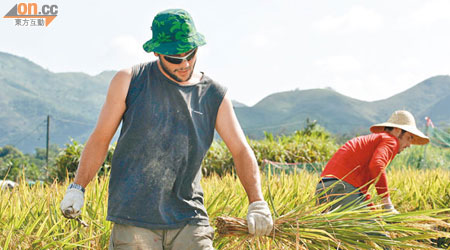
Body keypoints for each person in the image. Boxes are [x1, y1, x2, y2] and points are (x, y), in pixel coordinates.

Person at [60, 9, 273, 250]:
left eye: (190, 55)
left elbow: (241, 150)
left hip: (189, 217)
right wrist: (77, 188)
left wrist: (257, 202)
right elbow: (100, 139)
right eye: (174, 58)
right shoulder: (131, 80)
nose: (184, 64)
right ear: (157, 51)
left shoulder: (213, 94)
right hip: (134, 218)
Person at [316, 110, 429, 212]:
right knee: (374, 234)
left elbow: (362, 191)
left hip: (323, 188)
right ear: (397, 131)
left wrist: (376, 216)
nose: (409, 145)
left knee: (337, 233)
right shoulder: (391, 140)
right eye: (409, 138)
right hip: (343, 187)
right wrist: (387, 204)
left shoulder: (374, 142)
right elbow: (377, 165)